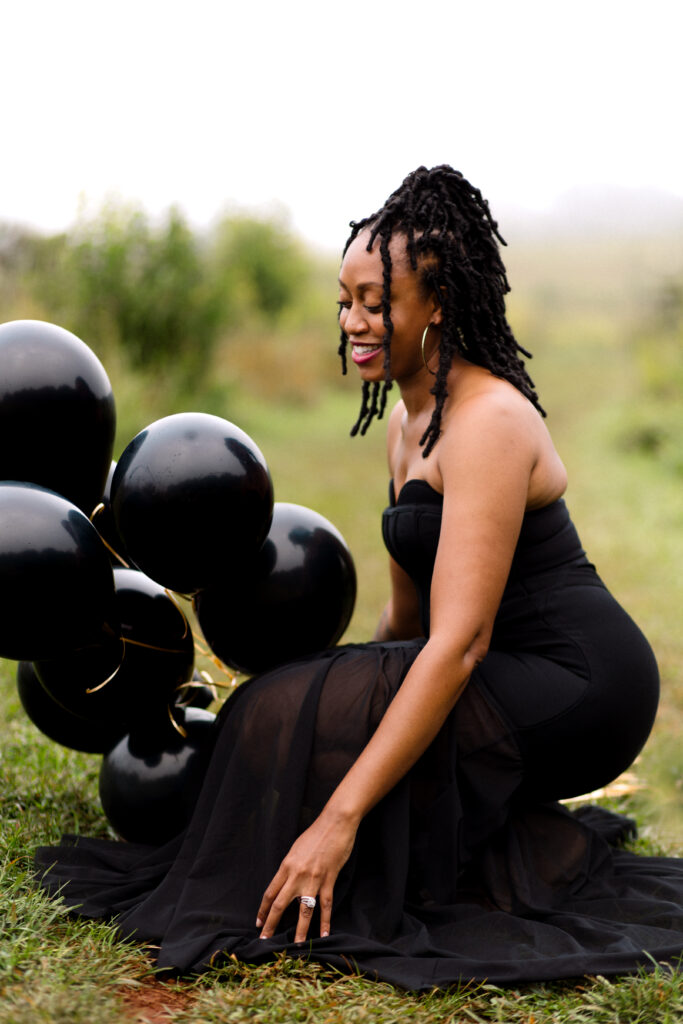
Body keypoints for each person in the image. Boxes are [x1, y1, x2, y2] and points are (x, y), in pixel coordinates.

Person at [37, 165, 683, 990]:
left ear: (438, 302)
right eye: (344, 302)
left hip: (578, 686)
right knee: (280, 706)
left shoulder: (488, 422)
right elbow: (404, 622)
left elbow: (455, 645)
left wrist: (341, 817)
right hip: (485, 665)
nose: (352, 323)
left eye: (375, 303)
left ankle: (316, 868)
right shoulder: (408, 422)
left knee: (291, 717)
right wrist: (329, 694)